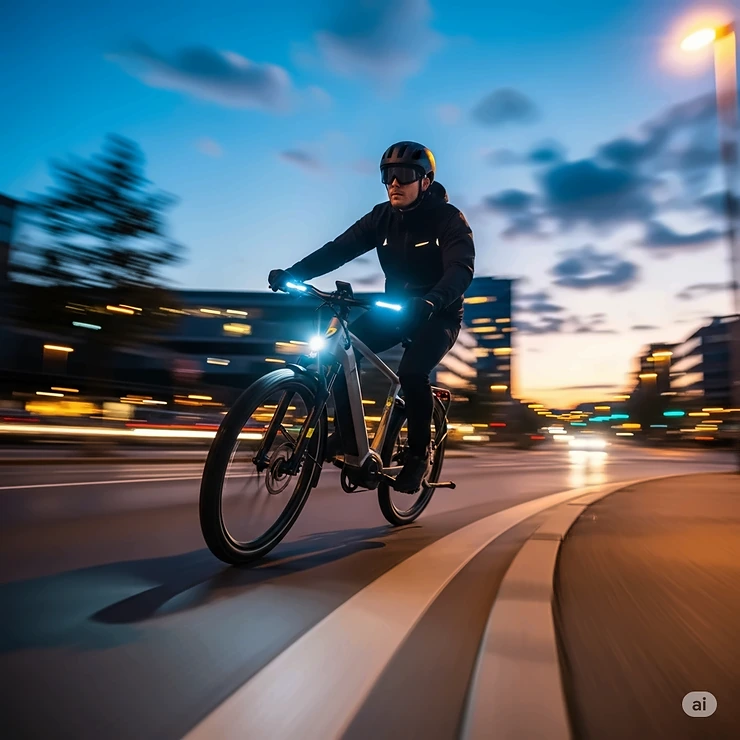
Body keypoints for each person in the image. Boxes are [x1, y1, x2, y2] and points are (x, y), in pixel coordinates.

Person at [268, 141, 475, 493]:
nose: (394, 183)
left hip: (437, 315)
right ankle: (349, 441)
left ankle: (417, 456)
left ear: (425, 182)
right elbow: (338, 249)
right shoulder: (381, 218)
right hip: (396, 311)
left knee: (412, 372)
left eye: (404, 175)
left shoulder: (447, 219)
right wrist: (295, 274)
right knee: (335, 351)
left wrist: (431, 301)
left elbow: (460, 269)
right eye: (388, 175)